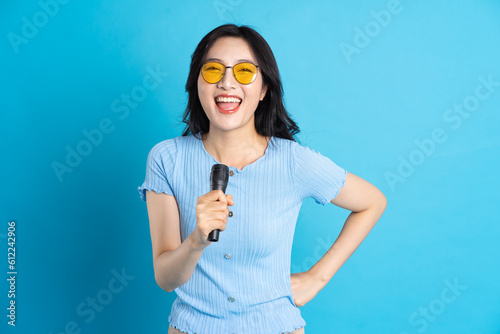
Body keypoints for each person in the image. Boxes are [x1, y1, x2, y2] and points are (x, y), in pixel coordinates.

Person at [137, 24, 387, 334]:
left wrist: (316, 278)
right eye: (213, 70)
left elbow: (372, 202)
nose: (227, 84)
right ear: (197, 83)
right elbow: (165, 278)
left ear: (264, 89)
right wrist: (196, 242)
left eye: (244, 72)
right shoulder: (166, 159)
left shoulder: (293, 162)